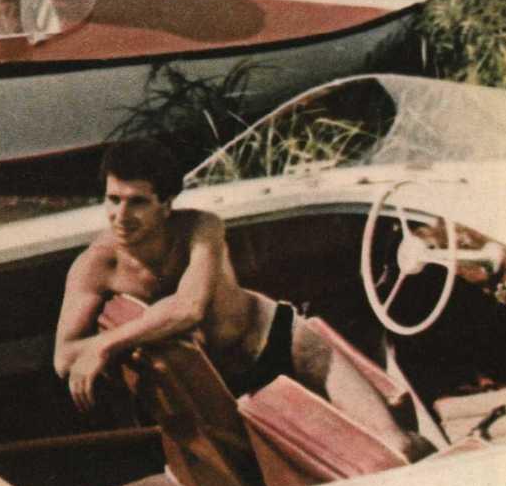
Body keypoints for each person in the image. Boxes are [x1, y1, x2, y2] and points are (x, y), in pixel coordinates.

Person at [54, 137, 421, 456]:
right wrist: (105, 350)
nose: (120, 216)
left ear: (166, 204)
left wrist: (104, 345)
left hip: (277, 341)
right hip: (218, 388)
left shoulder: (201, 227)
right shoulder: (95, 265)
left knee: (398, 445)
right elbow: (64, 358)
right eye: (113, 199)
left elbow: (189, 308)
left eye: (137, 202)